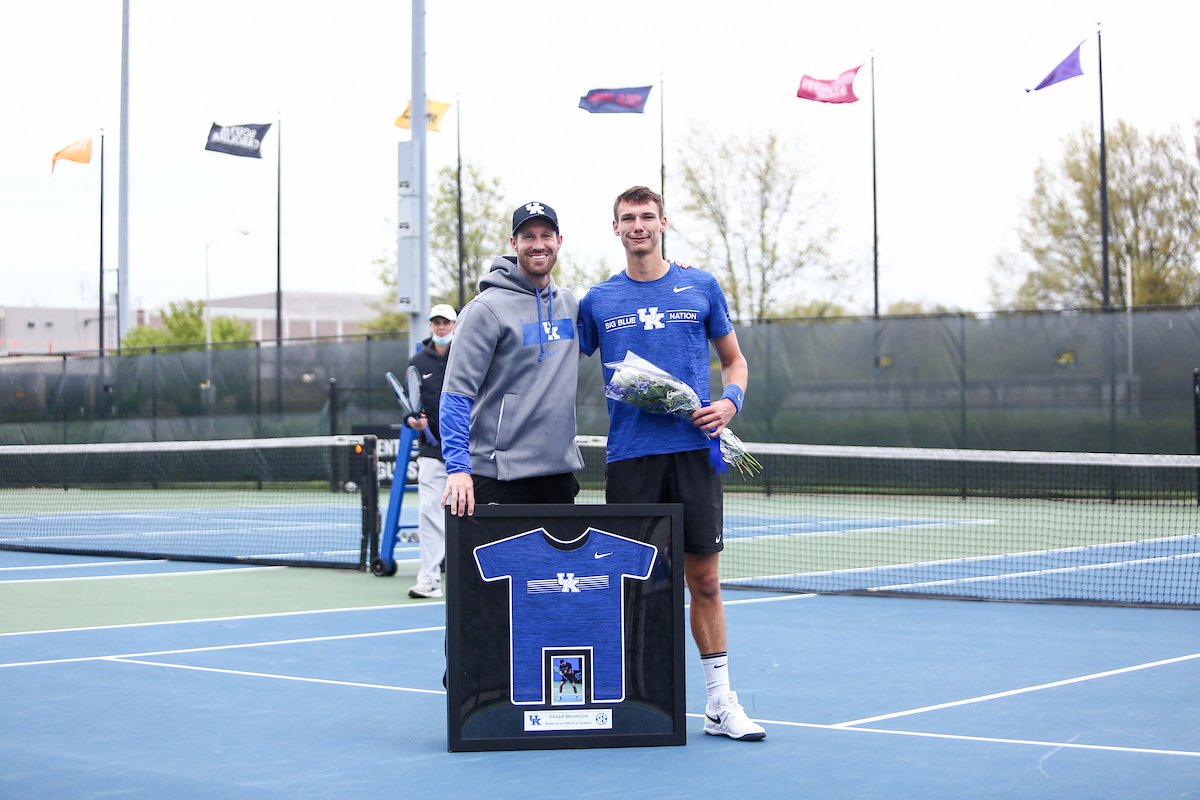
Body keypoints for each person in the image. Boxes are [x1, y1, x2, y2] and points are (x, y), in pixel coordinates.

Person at [577, 185, 766, 742]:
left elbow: (735, 362)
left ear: (664, 223)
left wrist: (729, 403)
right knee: (632, 585)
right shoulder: (597, 302)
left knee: (703, 580)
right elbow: (557, 360)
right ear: (615, 228)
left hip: (693, 454)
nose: (638, 226)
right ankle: (633, 699)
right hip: (631, 458)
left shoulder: (701, 285)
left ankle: (719, 703)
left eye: (647, 217)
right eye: (628, 218)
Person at [440, 201, 583, 516]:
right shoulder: (484, 310)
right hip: (497, 477)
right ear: (513, 243)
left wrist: (667, 267)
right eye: (528, 236)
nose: (538, 244)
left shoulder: (571, 305)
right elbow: (455, 395)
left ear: (559, 241)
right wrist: (458, 468)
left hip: (557, 477)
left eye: (546, 235)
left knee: (556, 568)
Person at [403, 304, 456, 599]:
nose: (441, 327)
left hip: (468, 453)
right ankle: (430, 580)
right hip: (431, 454)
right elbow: (412, 408)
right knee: (428, 513)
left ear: (454, 325)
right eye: (436, 322)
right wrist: (413, 420)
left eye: (446, 322)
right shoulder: (417, 362)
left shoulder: (468, 355)